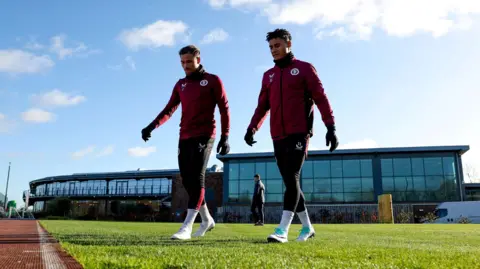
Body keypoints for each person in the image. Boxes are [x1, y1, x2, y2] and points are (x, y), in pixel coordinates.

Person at [244, 28, 339, 243]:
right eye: (270, 47)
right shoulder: (268, 75)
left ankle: (282, 230)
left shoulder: (304, 69)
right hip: (277, 134)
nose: (273, 50)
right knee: (290, 182)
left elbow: (321, 98)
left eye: (277, 45)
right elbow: (262, 106)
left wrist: (330, 126)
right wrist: (252, 128)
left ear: (289, 44)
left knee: (293, 177)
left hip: (299, 132)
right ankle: (307, 227)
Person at [141, 45, 231, 240]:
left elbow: (224, 109)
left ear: (198, 59)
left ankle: (187, 227)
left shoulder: (213, 80)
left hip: (205, 135)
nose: (185, 66)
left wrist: (225, 136)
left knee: (198, 178)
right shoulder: (180, 85)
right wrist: (151, 126)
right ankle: (207, 219)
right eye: (182, 62)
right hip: (185, 136)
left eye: (189, 61)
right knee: (188, 182)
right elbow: (169, 109)